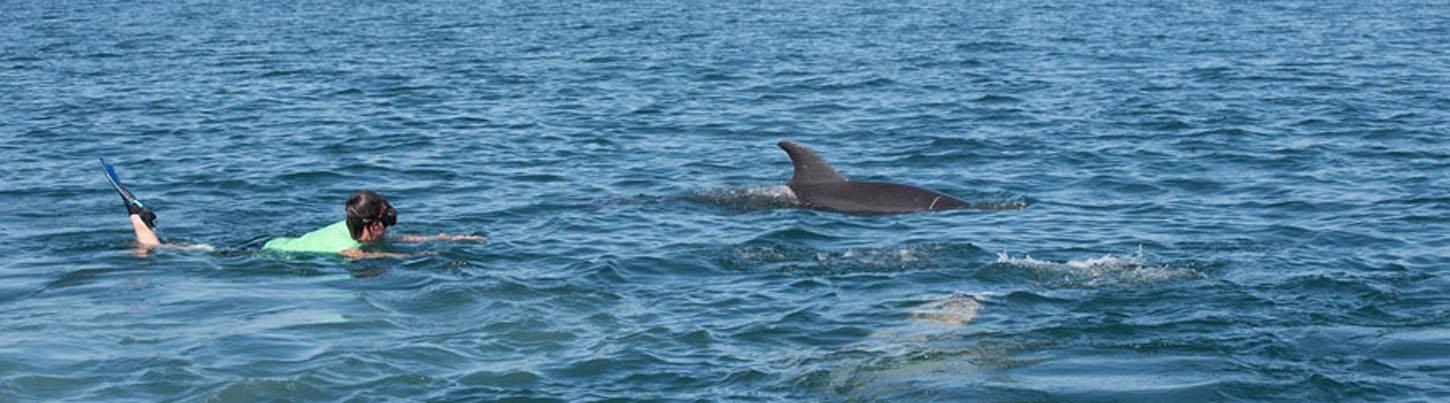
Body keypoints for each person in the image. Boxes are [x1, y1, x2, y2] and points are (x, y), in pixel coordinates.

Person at [107, 160, 482, 258]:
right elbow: (377, 259)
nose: (394, 225)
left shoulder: (355, 228)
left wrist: (446, 237)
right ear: (371, 224)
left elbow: (402, 242)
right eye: (390, 219)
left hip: (276, 241)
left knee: (186, 247)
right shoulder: (350, 251)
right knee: (165, 251)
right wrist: (427, 256)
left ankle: (143, 219)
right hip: (259, 253)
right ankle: (138, 219)